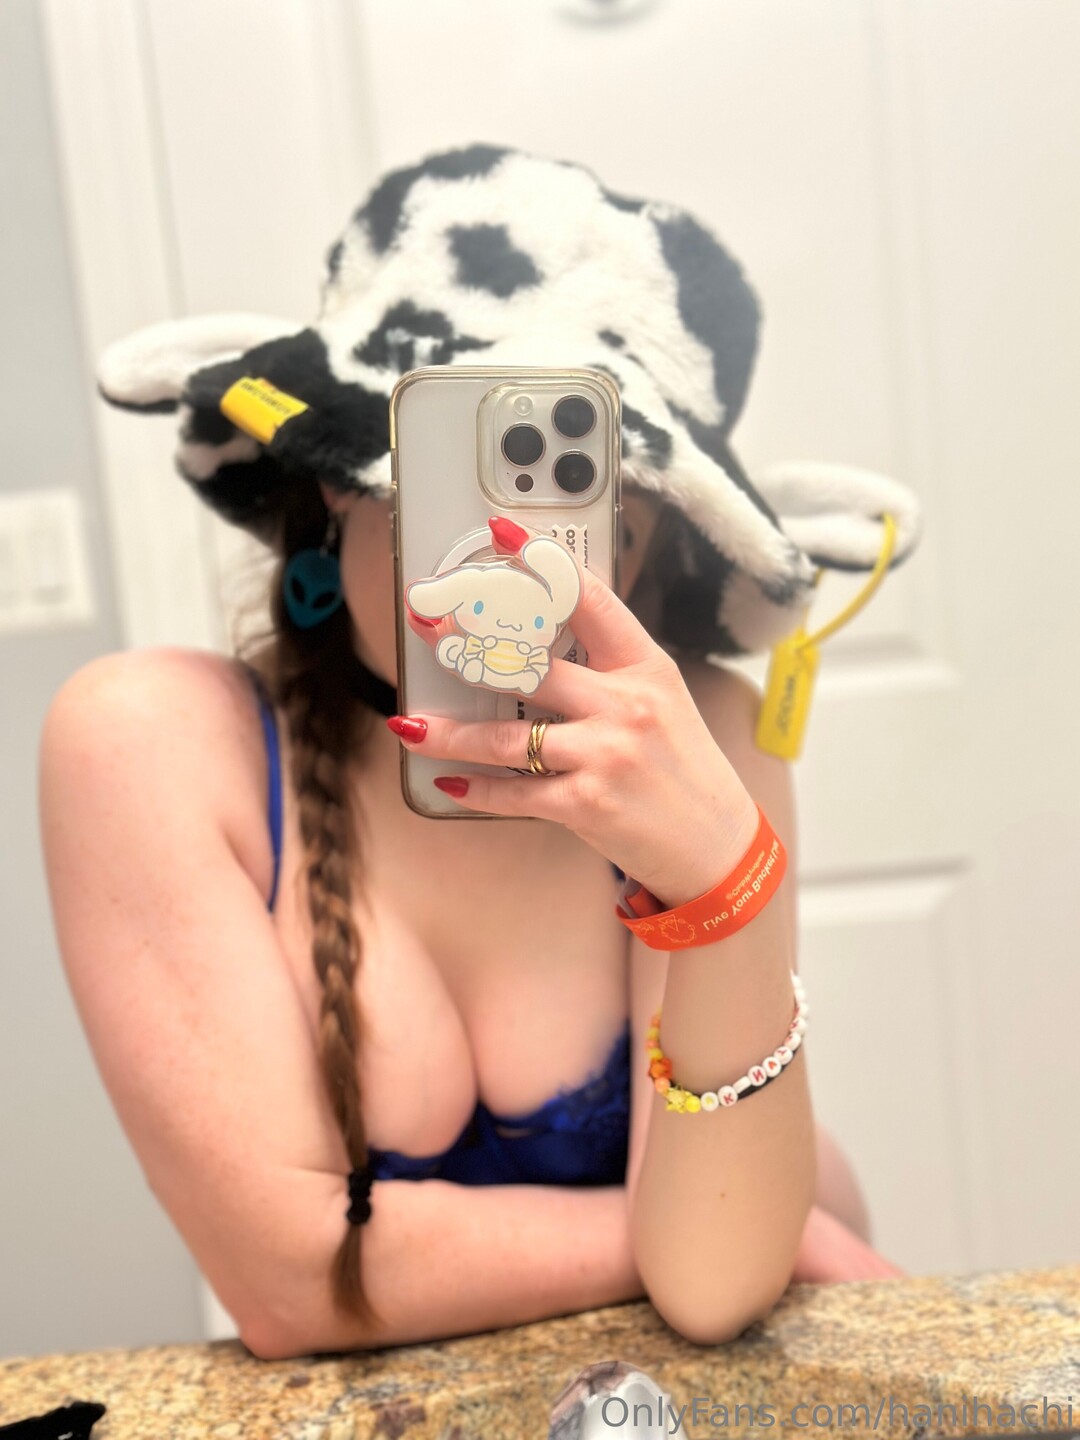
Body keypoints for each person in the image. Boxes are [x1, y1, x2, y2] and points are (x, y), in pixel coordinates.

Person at [39, 146, 919, 1360]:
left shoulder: (707, 739)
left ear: (649, 546)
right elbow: (290, 1283)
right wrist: (745, 1231)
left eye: (587, 510)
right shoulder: (155, 743)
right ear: (334, 489)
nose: (512, 561)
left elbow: (716, 1288)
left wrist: (726, 884)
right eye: (450, 488)